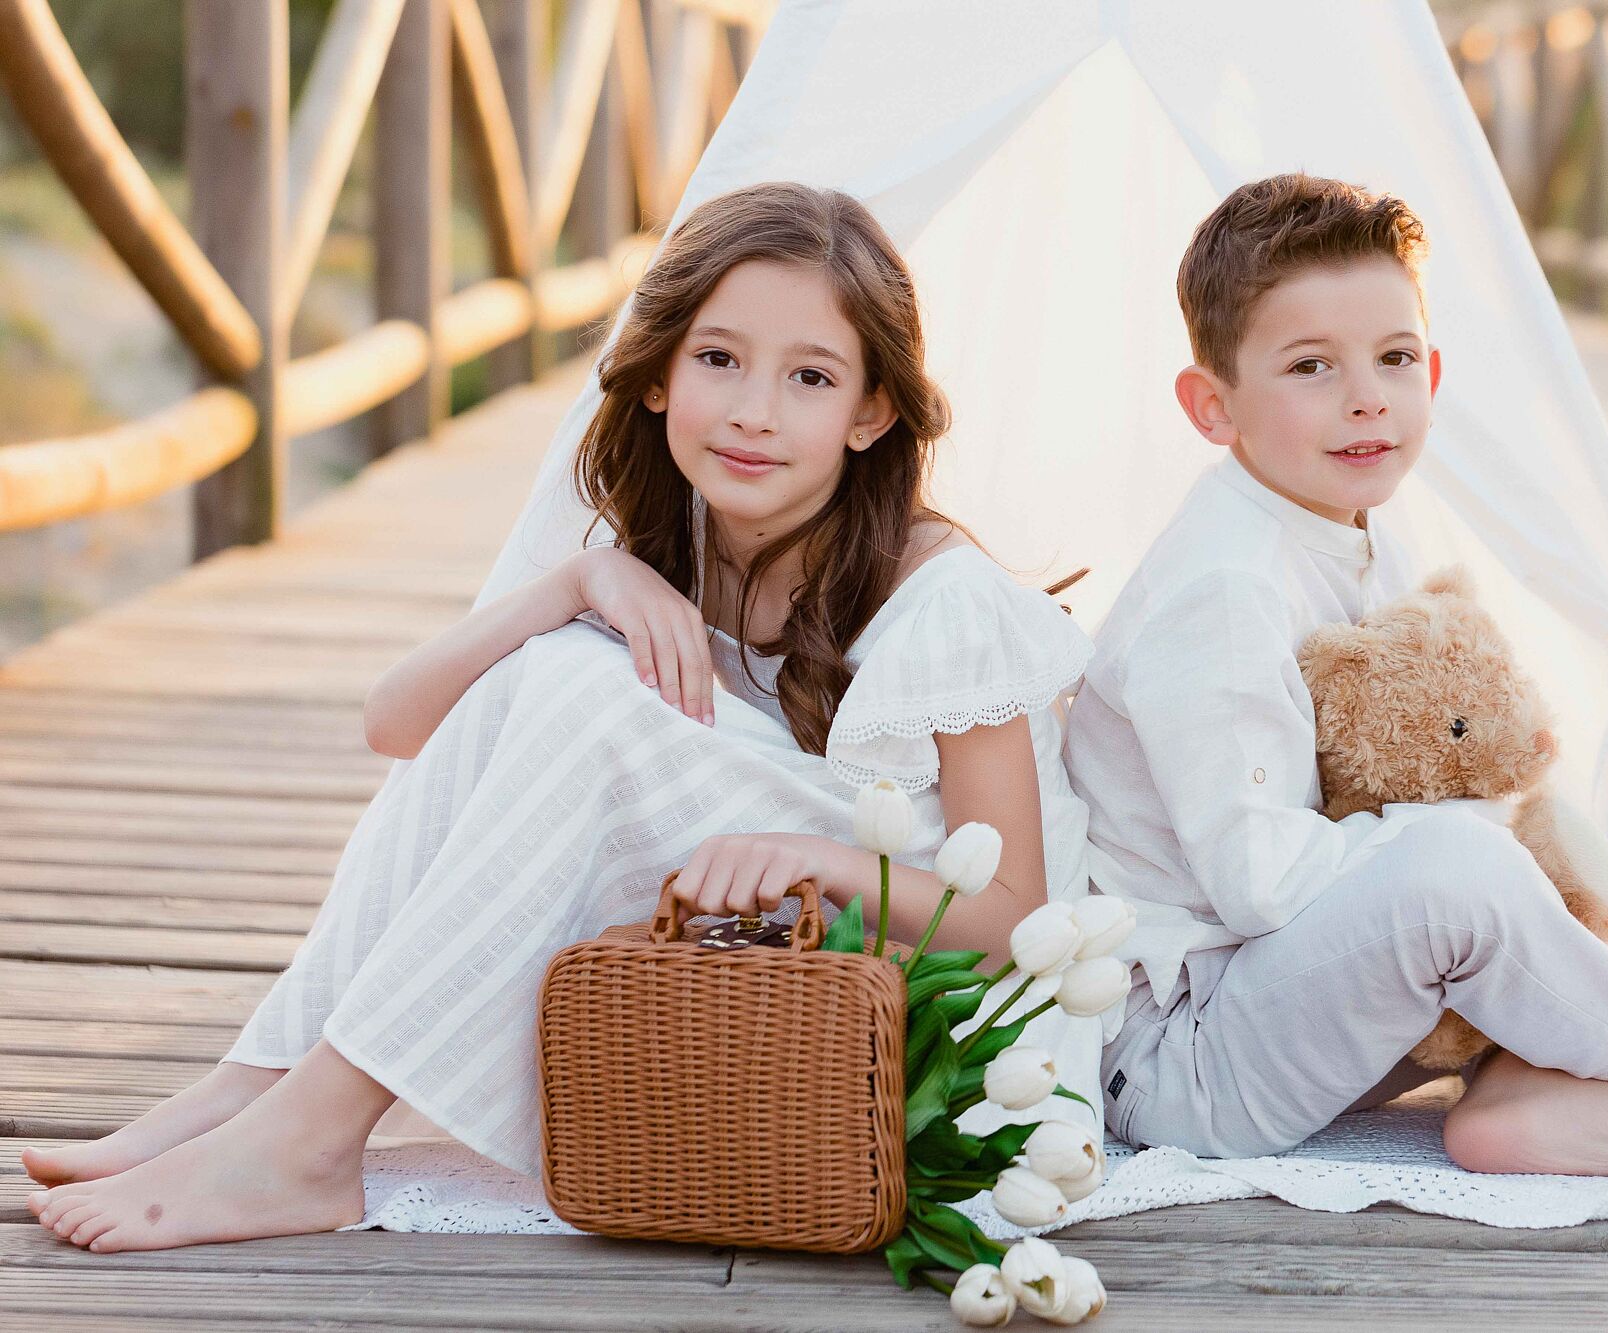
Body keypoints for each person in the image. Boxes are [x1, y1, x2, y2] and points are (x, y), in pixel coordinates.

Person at [25, 182, 1097, 1252]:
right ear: (658, 373)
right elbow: (396, 725)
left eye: (808, 377)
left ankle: (306, 1143)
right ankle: (253, 1084)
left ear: (870, 412)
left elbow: (1013, 917)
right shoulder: (672, 543)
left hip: (929, 1021)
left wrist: (806, 855)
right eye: (718, 359)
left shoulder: (944, 597)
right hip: (755, 949)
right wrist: (577, 583)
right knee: (545, 667)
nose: (753, 411)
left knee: (584, 692)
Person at [1062, 172, 1608, 1177]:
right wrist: (1471, 846)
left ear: (1432, 370)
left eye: (1393, 356)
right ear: (1211, 405)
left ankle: (1513, 1089)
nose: (1365, 394)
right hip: (1182, 1057)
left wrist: (1511, 847)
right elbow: (1259, 883)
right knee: (1461, 870)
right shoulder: (1222, 588)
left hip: (1287, 998)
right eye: (1309, 366)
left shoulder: (1345, 523)